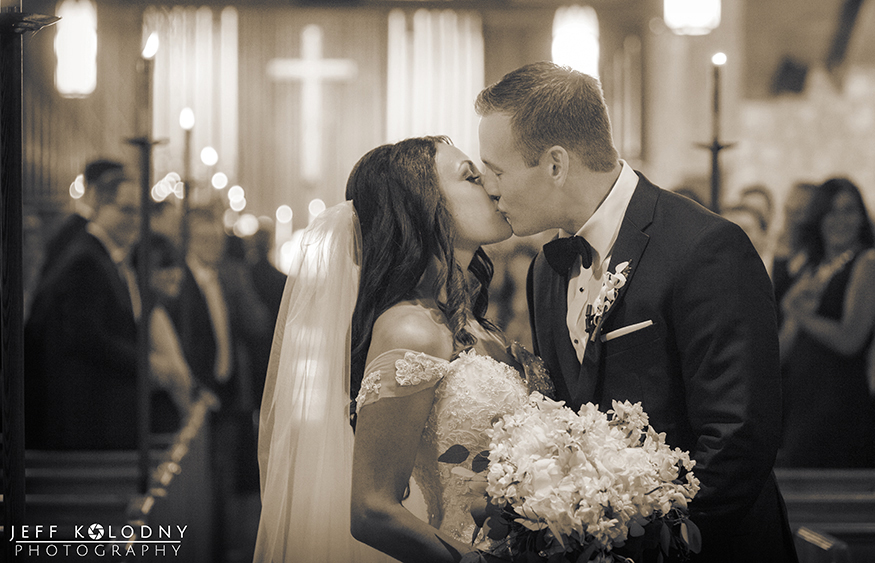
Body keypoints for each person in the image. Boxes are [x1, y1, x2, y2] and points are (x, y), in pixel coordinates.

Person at [475, 62, 797, 563]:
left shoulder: (705, 248)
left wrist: (648, 541)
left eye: (496, 170)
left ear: (555, 165)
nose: (491, 189)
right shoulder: (546, 270)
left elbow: (740, 437)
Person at [254, 136, 550, 562]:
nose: (490, 185)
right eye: (471, 176)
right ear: (422, 207)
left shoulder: (470, 321)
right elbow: (372, 509)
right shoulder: (412, 327)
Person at [24, 164, 143, 449]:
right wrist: (145, 363)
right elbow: (84, 337)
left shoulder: (99, 256)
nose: (136, 220)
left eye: (139, 211)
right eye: (127, 210)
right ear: (101, 205)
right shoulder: (85, 261)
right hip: (85, 415)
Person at [777, 177, 875, 468]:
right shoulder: (812, 267)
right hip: (803, 404)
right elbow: (783, 348)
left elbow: (850, 339)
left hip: (843, 406)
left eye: (849, 211)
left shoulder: (866, 263)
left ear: (861, 217)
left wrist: (800, 313)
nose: (840, 220)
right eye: (831, 212)